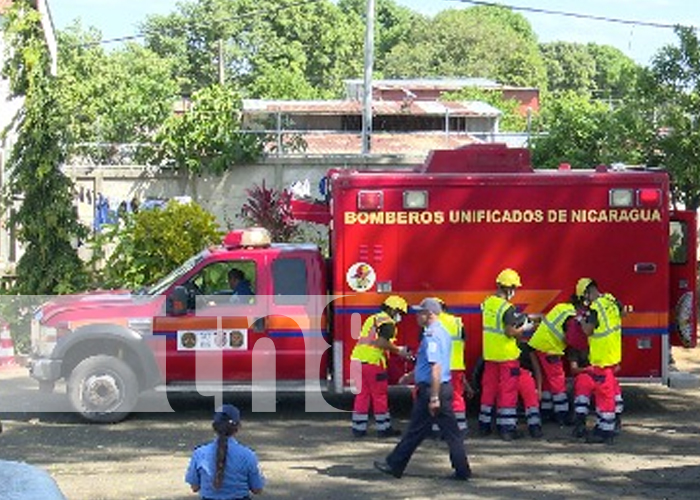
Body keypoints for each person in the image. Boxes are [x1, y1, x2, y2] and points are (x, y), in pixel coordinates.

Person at [374, 298, 471, 480]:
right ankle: (462, 470)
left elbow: (435, 367)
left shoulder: (432, 335)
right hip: (443, 388)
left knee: (416, 431)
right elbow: (428, 364)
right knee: (451, 434)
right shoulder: (442, 332)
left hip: (432, 390)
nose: (417, 316)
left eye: (420, 312)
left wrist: (434, 397)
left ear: (430, 314)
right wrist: (410, 376)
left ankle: (394, 465)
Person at [478, 268, 542, 440]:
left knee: (489, 390)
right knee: (508, 392)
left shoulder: (488, 303)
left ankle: (484, 425)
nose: (515, 291)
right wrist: (527, 327)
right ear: (509, 287)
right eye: (515, 287)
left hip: (490, 354)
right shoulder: (507, 308)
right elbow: (510, 331)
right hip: (506, 356)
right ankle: (507, 428)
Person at [350, 295, 412, 438]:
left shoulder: (373, 318)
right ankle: (384, 429)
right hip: (373, 363)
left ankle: (358, 429)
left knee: (362, 395)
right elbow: (381, 343)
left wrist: (396, 349)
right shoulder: (388, 323)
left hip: (358, 360)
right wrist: (400, 351)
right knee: (379, 396)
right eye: (400, 313)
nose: (400, 317)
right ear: (393, 310)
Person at [572, 278, 624, 444]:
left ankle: (605, 431)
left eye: (584, 297)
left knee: (604, 394)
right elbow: (623, 313)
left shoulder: (594, 309)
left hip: (602, 357)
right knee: (613, 389)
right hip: (614, 353)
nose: (585, 301)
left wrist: (581, 321)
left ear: (587, 292)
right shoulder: (611, 300)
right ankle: (614, 422)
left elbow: (588, 331)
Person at [185, 404, 265, 499]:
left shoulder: (199, 453)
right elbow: (257, 489)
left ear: (214, 427)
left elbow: (195, 487)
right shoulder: (248, 455)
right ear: (238, 427)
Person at [527, 296, 579, 425]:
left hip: (538, 343)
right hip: (550, 347)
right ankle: (562, 415)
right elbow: (570, 337)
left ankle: (546, 412)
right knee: (557, 380)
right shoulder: (572, 316)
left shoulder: (561, 308)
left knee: (546, 381)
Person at [434, 298, 473, 437]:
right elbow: (463, 340)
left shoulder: (432, 322)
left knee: (437, 397)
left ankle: (438, 430)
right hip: (455, 366)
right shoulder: (457, 322)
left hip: (438, 367)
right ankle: (460, 428)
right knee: (456, 397)